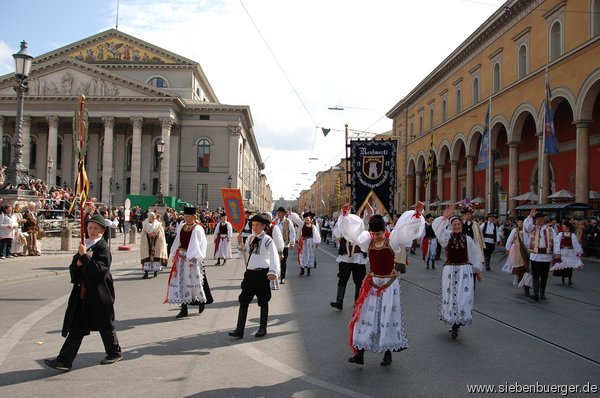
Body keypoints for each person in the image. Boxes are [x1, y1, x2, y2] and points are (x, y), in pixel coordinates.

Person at [337, 202, 425, 366]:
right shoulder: (366, 241)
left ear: (384, 231)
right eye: (374, 233)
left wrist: (417, 215)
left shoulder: (392, 241)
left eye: (379, 233)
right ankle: (360, 353)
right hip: (372, 283)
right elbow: (353, 231)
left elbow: (406, 230)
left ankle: (388, 352)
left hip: (390, 284)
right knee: (364, 317)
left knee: (387, 318)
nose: (377, 236)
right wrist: (345, 215)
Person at [44, 214, 122, 372]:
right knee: (76, 327)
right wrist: (78, 262)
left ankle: (114, 352)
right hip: (83, 293)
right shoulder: (85, 244)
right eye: (90, 228)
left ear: (102, 231)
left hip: (99, 293)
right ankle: (64, 360)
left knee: (105, 324)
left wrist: (85, 258)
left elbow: (100, 270)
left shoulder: (102, 247)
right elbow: (74, 267)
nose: (92, 231)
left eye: (96, 229)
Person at [432, 205, 484, 339]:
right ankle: (453, 322)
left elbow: (473, 256)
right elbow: (437, 229)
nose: (456, 226)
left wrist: (477, 270)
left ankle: (458, 322)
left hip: (464, 271)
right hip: (450, 270)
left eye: (458, 224)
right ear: (450, 226)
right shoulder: (446, 238)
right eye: (454, 224)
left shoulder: (468, 239)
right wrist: (444, 218)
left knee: (462, 296)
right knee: (451, 296)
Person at [229, 213, 280, 339]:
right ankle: (239, 329)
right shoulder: (250, 238)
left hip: (262, 273)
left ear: (263, 226)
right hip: (250, 273)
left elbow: (274, 256)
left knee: (263, 300)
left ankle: (263, 328)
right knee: (243, 300)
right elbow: (245, 252)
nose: (255, 227)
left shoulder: (268, 240)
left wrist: (273, 271)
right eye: (253, 225)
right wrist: (240, 244)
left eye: (257, 225)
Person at [166, 207, 212, 318]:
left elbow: (201, 244)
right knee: (181, 282)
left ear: (194, 217)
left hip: (192, 259)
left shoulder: (198, 229)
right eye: (185, 216)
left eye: (188, 216)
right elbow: (178, 240)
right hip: (181, 258)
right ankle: (184, 308)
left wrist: (195, 257)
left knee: (194, 282)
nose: (186, 218)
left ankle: (201, 302)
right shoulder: (182, 226)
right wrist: (174, 253)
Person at [330, 208, 367, 310]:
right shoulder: (342, 225)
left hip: (358, 256)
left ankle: (357, 302)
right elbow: (337, 231)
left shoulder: (361, 224)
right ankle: (339, 302)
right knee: (342, 279)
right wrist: (343, 216)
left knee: (358, 280)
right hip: (345, 257)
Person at [523, 209, 557, 302]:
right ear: (535, 220)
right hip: (535, 256)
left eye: (542, 219)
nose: (540, 220)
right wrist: (530, 216)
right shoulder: (533, 228)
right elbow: (527, 226)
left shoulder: (550, 229)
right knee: (535, 275)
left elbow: (556, 241)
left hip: (546, 256)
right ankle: (536, 293)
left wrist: (557, 252)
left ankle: (542, 292)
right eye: (538, 219)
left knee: (544, 275)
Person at [504, 216, 531, 297]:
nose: (521, 224)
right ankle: (518, 276)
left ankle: (524, 281)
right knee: (519, 265)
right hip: (517, 250)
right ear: (517, 223)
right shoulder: (514, 230)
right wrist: (508, 248)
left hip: (526, 250)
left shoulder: (527, 231)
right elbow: (509, 240)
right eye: (519, 222)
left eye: (522, 222)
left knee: (526, 266)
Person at [551, 220, 583, 286]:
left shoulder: (572, 235)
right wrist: (557, 252)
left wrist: (578, 252)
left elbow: (575, 244)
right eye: (562, 226)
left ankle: (569, 279)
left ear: (567, 227)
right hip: (562, 252)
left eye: (564, 226)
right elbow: (557, 243)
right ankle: (563, 278)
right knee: (563, 266)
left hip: (570, 252)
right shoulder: (560, 234)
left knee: (570, 266)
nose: (562, 227)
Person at [140, 212, 168, 279]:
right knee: (147, 258)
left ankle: (155, 272)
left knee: (156, 257)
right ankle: (146, 272)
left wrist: (156, 235)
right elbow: (143, 234)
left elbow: (161, 234)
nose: (152, 218)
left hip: (156, 242)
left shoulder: (158, 225)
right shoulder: (145, 224)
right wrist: (148, 235)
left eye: (153, 217)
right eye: (151, 217)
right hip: (147, 243)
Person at [274, 207, 296, 285]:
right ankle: (275, 277)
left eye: (280, 213)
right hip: (276, 244)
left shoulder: (288, 221)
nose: (278, 214)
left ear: (283, 213)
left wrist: (292, 242)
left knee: (283, 261)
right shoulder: (275, 221)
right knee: (275, 261)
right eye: (278, 213)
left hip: (285, 244)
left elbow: (292, 232)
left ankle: (282, 277)